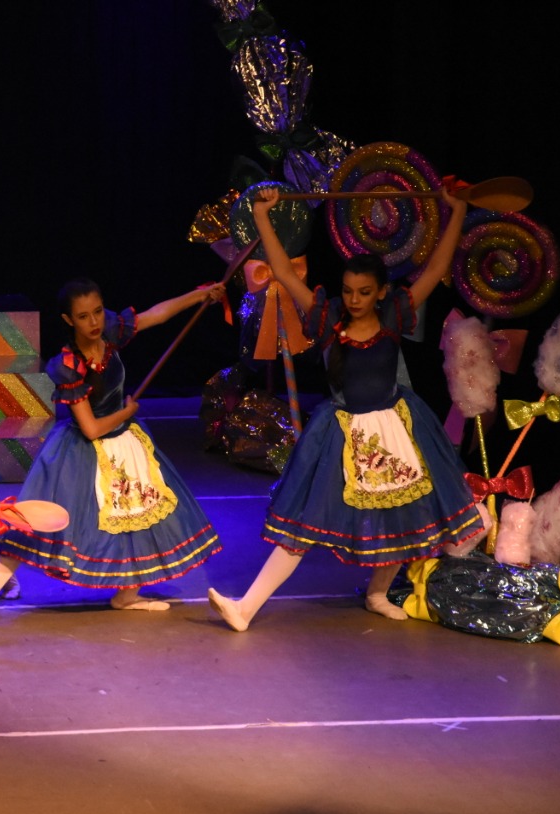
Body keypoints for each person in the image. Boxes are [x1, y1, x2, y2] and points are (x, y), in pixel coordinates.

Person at [207, 186, 483, 631]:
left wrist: (458, 211)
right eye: (349, 290)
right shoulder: (327, 316)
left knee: (404, 514)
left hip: (395, 428)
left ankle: (377, 593)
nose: (354, 300)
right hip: (340, 433)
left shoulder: (394, 314)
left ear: (381, 292)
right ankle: (246, 608)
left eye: (364, 292)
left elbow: (436, 268)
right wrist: (262, 217)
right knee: (303, 524)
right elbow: (282, 271)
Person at [0, 278, 225, 634]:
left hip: (124, 444)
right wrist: (127, 413)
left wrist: (200, 295)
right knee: (27, 530)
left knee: (139, 520)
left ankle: (127, 595)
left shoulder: (110, 330)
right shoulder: (68, 365)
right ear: (69, 320)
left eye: (97, 312)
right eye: (83, 317)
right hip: (81, 452)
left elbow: (156, 315)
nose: (94, 322)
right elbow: (91, 428)